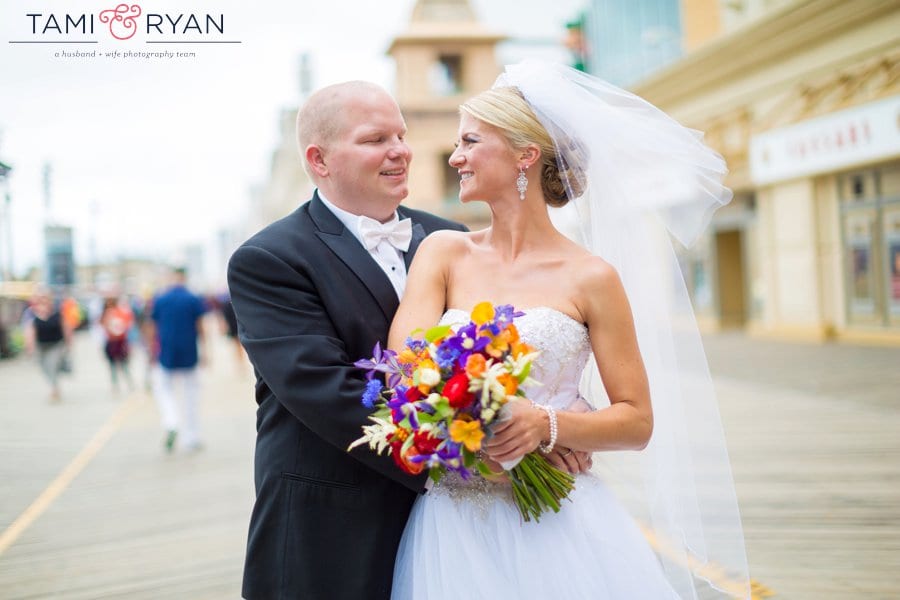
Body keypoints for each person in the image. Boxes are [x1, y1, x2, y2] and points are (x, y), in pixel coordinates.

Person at [387, 60, 750, 599]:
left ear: (525, 155)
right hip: (456, 522)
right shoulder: (442, 253)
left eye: (470, 141)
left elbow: (637, 421)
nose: (455, 156)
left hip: (562, 522)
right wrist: (482, 437)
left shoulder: (592, 276)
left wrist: (547, 425)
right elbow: (403, 375)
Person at [226, 81, 469, 600]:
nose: (400, 150)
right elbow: (328, 391)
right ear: (319, 159)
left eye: (401, 135)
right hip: (333, 525)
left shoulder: (450, 238)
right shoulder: (269, 258)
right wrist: (471, 453)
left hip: (455, 526)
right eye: (375, 138)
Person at [148, 267, 207, 453]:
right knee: (191, 396)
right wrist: (206, 351)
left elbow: (152, 327)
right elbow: (200, 327)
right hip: (189, 352)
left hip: (166, 353)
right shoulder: (192, 298)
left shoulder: (160, 298)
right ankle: (191, 437)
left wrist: (151, 352)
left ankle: (171, 421)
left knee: (163, 389)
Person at [24, 291, 72, 402]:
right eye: (40, 299)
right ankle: (54, 385)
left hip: (56, 345)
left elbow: (66, 328)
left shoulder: (57, 313)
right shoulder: (32, 314)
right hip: (41, 346)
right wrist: (29, 348)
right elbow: (30, 332)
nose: (43, 301)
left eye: (45, 299)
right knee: (44, 368)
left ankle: (54, 389)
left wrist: (69, 343)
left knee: (52, 364)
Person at [99, 296, 135, 393]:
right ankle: (128, 384)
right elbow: (128, 325)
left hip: (114, 341)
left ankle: (116, 386)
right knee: (122, 365)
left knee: (114, 365)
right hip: (119, 341)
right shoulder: (122, 312)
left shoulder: (109, 313)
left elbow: (104, 326)